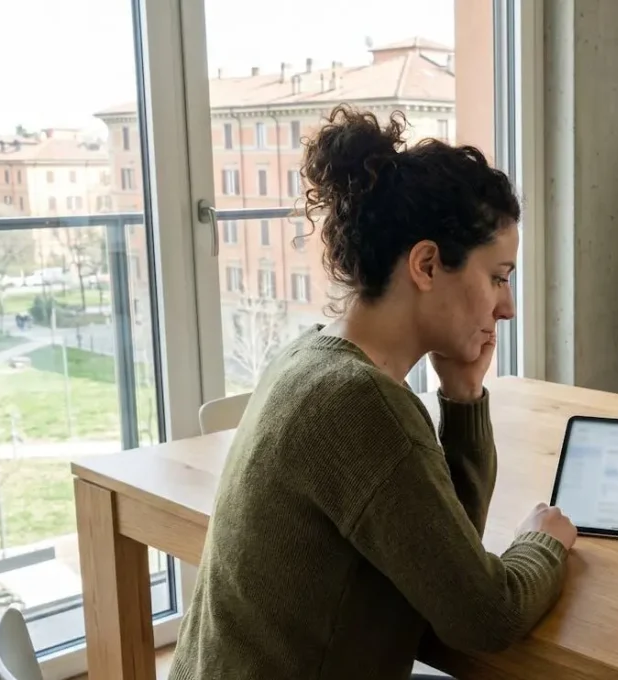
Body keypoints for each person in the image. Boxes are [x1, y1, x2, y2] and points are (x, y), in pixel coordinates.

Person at [169, 105, 577, 679]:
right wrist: (543, 543)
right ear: (427, 264)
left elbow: (440, 568)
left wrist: (463, 399)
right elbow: (487, 616)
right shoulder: (361, 405)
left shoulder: (309, 357)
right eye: (498, 277)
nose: (506, 307)